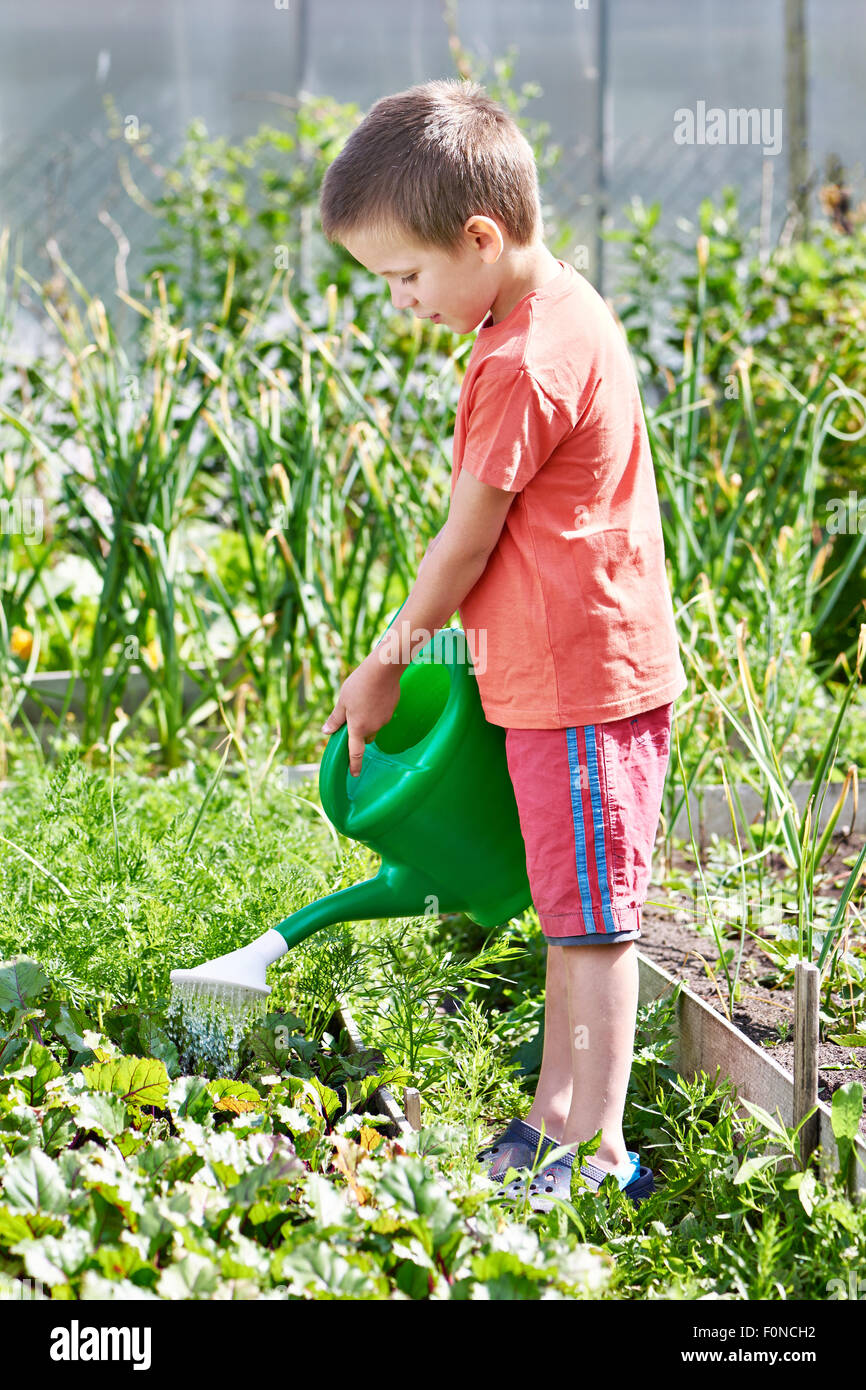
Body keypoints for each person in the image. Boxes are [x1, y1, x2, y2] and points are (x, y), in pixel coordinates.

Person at [317, 79, 686, 1211]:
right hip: (560, 672)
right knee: (572, 914)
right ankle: (551, 1123)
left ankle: (597, 1149)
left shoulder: (518, 361)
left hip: (581, 684)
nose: (402, 303)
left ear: (480, 236)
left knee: (591, 930)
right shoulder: (550, 311)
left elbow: (464, 542)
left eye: (406, 277)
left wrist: (388, 659)